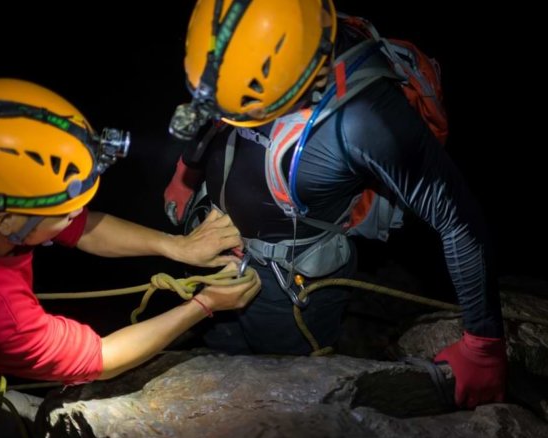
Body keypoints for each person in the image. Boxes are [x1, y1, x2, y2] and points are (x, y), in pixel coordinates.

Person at [163, 0, 506, 409]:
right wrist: (189, 170)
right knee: (216, 350)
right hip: (211, 246)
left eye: (250, 110)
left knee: (279, 395)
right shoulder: (244, 32)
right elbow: (213, 111)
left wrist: (483, 345)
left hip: (287, 285)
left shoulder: (367, 119)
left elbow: (458, 219)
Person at [0, 78, 261, 438]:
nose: (76, 216)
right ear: (7, 222)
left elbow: (82, 228)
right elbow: (103, 357)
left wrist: (177, 247)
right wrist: (204, 304)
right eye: (63, 212)